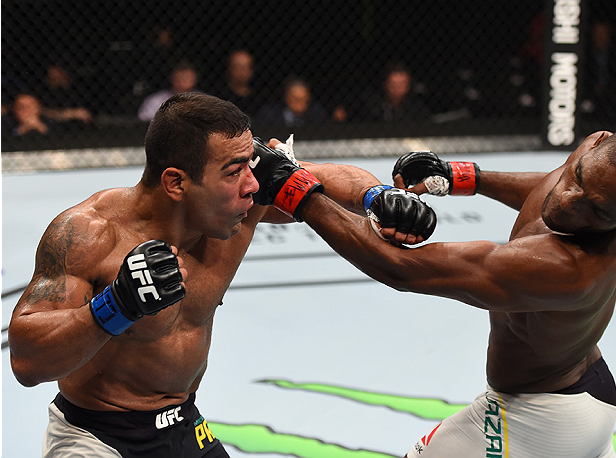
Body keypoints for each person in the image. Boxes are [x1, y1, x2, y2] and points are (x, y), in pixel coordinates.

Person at [8, 92, 435, 458]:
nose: (252, 185)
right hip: (95, 436)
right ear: (176, 182)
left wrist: (378, 196)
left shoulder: (239, 205)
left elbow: (324, 175)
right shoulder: (90, 234)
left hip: (183, 425)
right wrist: (114, 307)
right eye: (234, 172)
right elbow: (27, 361)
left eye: (250, 164)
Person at [290, 126, 616, 457]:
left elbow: (402, 269)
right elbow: (546, 189)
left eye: (595, 211)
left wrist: (297, 192)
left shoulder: (567, 269)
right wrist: (465, 177)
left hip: (539, 417)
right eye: (576, 176)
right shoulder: (604, 170)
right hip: (586, 388)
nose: (566, 203)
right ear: (595, 144)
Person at [360, 61, 431, 123]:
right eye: (394, 85)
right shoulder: (373, 107)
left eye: (402, 84)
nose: (397, 89)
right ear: (386, 85)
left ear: (408, 87)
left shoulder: (417, 110)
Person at [254, 76, 329, 128]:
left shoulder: (317, 115)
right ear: (286, 98)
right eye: (296, 99)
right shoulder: (270, 115)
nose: (300, 104)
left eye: (305, 100)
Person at [137, 61, 201, 121]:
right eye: (181, 79)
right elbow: (143, 123)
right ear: (173, 79)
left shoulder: (202, 99)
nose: (183, 83)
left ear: (194, 80)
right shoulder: (156, 100)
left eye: (187, 78)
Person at [216, 49, 264, 119]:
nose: (241, 71)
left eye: (244, 67)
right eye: (237, 67)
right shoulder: (219, 97)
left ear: (251, 70)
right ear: (229, 68)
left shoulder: (260, 97)